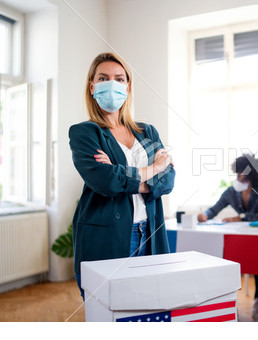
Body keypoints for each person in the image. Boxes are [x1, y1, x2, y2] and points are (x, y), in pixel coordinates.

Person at [69, 52, 175, 299]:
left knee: (152, 305)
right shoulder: (85, 133)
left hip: (150, 233)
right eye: (103, 78)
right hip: (109, 236)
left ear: (128, 86)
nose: (112, 84)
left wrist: (122, 176)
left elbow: (168, 181)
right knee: (110, 311)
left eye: (119, 78)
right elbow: (105, 182)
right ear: (92, 86)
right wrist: (155, 168)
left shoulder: (146, 131)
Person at [197, 154, 258, 321]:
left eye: (243, 175)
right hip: (239, 239)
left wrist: (242, 218)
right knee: (227, 257)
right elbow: (214, 209)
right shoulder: (231, 192)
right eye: (238, 174)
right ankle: (229, 303)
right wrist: (204, 215)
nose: (239, 178)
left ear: (254, 176)